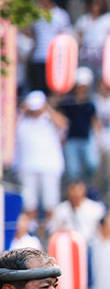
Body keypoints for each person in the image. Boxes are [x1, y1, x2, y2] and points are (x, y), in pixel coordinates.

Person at [13, 91, 67, 221]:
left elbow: (63, 124)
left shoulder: (49, 121)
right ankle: (31, 228)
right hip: (27, 166)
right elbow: (9, 127)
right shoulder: (23, 122)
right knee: (29, 203)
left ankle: (50, 228)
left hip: (49, 166)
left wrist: (48, 109)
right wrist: (22, 110)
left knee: (50, 202)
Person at [57, 67, 100, 182]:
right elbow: (61, 117)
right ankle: (75, 189)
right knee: (73, 171)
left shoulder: (90, 103)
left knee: (92, 164)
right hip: (71, 139)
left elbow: (94, 121)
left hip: (86, 139)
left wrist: (99, 137)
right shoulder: (67, 102)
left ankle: (86, 185)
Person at [27, 0, 71, 95]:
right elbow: (31, 33)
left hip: (55, 58)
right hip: (38, 56)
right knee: (38, 87)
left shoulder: (60, 15)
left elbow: (65, 36)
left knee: (52, 89)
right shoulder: (36, 14)